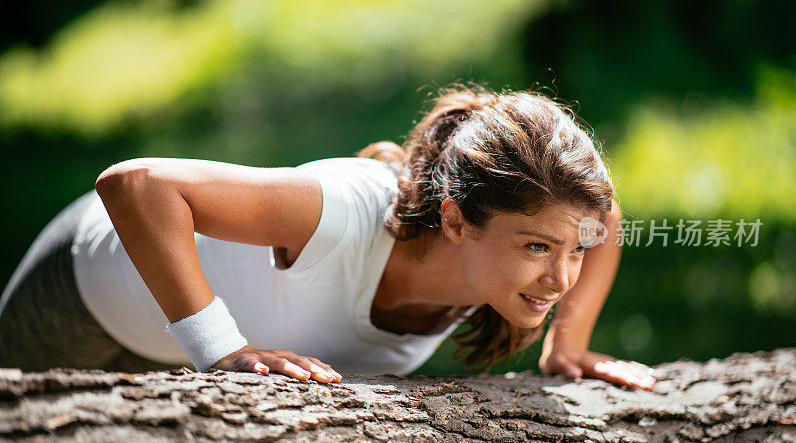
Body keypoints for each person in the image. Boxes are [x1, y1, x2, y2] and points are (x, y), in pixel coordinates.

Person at [0, 83, 656, 390]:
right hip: (87, 294)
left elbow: (608, 220)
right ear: (455, 220)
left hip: (177, 357)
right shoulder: (344, 214)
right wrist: (221, 349)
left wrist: (567, 345)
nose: (561, 274)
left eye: (573, 247)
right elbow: (135, 186)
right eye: (537, 247)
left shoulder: (531, 239)